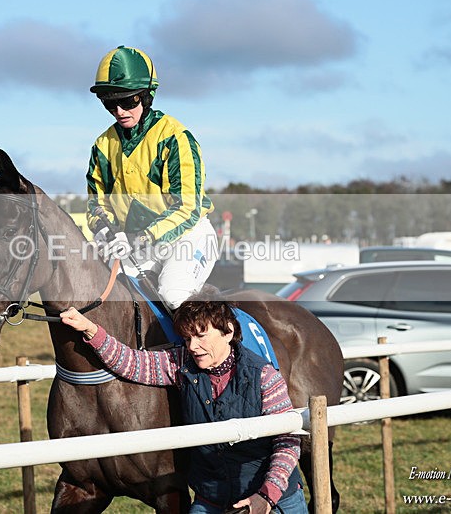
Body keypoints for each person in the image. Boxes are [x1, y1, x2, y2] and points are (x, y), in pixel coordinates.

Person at [60, 289, 307, 514]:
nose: (193, 347)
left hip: (273, 500)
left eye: (201, 336)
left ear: (228, 331)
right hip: (212, 500)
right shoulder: (180, 363)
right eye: (187, 338)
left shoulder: (265, 377)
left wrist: (267, 496)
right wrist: (90, 329)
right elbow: (131, 363)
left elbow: (287, 443)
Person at [86, 46, 218, 310]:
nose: (120, 111)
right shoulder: (102, 145)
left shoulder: (176, 138)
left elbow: (188, 208)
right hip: (136, 244)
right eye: (110, 103)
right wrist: (106, 231)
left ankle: (225, 350)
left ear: (147, 97)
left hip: (188, 237)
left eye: (128, 101)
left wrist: (140, 238)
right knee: (119, 303)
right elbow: (97, 204)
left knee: (172, 294)